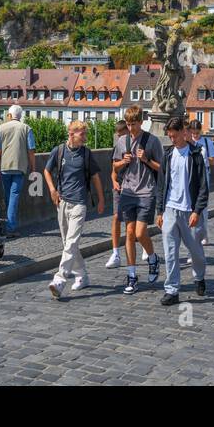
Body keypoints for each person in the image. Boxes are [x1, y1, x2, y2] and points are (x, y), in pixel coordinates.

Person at [45, 120, 105, 299]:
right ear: (71, 134)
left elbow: (95, 177)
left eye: (86, 134)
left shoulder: (86, 154)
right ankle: (82, 275)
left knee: (71, 243)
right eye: (82, 134)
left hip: (80, 203)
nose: (85, 137)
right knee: (68, 244)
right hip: (62, 203)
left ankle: (59, 280)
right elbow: (47, 171)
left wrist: (101, 199)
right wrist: (52, 190)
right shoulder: (59, 151)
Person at [154, 115, 209, 306]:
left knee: (196, 252)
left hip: (190, 211)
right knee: (170, 253)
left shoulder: (196, 155)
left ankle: (199, 276)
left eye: (175, 136)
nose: (172, 139)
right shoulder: (168, 155)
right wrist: (159, 211)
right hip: (170, 209)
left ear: (184, 133)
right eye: (170, 136)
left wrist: (197, 211)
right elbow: (161, 185)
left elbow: (203, 186)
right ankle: (172, 290)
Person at [113, 104, 163, 294]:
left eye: (134, 124)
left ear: (141, 122)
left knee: (141, 233)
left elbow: (161, 168)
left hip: (146, 192)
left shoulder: (152, 141)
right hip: (127, 191)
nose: (131, 128)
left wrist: (146, 161)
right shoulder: (122, 141)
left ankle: (152, 258)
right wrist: (121, 162)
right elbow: (115, 167)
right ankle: (132, 276)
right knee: (130, 233)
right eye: (128, 124)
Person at [0, 105, 35, 237]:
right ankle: (10, 228)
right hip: (20, 167)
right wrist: (33, 168)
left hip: (5, 167)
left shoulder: (1, 128)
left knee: (7, 197)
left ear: (9, 115)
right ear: (20, 116)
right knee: (14, 196)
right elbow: (31, 150)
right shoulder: (27, 128)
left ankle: (6, 224)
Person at [104, 119, 131, 268]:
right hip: (119, 187)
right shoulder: (117, 148)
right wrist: (114, 182)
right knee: (116, 217)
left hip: (133, 188)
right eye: (118, 135)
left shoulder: (134, 145)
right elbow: (113, 171)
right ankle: (115, 253)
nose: (119, 138)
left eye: (122, 135)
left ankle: (131, 250)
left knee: (130, 222)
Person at [188, 117, 214, 246]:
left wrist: (204, 158)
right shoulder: (187, 142)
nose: (195, 136)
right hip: (190, 174)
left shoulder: (206, 141)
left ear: (201, 131)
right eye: (192, 133)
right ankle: (193, 233)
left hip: (204, 174)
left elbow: (213, 160)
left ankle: (204, 233)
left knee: (203, 206)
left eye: (197, 133)